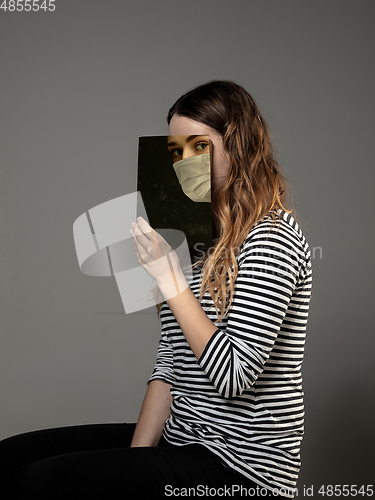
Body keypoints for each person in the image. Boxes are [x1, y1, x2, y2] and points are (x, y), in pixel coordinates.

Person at [0, 80, 312, 499]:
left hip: (242, 470)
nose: (182, 161)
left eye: (196, 146)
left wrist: (170, 278)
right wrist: (133, 460)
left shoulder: (273, 238)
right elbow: (171, 361)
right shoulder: (195, 233)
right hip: (182, 437)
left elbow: (235, 377)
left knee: (39, 484)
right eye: (174, 149)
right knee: (9, 458)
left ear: (237, 149)